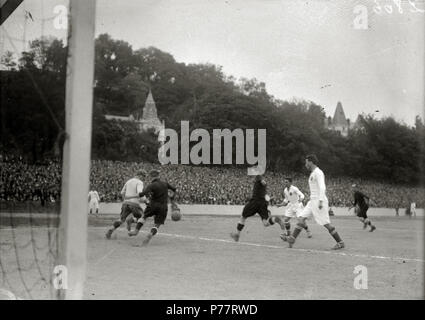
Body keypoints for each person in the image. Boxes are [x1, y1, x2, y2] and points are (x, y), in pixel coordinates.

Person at [281, 155, 345, 250]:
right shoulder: (313, 173)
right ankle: (292, 238)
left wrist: (320, 201)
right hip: (312, 201)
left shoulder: (318, 172)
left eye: (306, 162)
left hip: (318, 200)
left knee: (326, 224)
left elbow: (323, 187)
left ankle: (340, 242)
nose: (305, 164)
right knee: (301, 219)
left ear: (311, 162)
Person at [128, 169, 177, 246]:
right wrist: (172, 197)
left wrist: (131, 196)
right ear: (158, 175)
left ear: (151, 176)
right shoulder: (165, 183)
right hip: (163, 207)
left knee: (143, 216)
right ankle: (151, 234)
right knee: (157, 224)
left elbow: (143, 193)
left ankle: (136, 231)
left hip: (153, 205)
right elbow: (174, 189)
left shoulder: (151, 185)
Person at [230, 175, 284, 242]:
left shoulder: (258, 180)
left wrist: (261, 180)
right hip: (263, 203)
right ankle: (275, 219)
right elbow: (265, 194)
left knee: (243, 217)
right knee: (265, 223)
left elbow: (259, 178)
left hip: (255, 202)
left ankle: (237, 235)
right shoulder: (263, 187)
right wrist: (270, 199)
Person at [105, 170, 146, 239]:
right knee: (143, 217)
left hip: (126, 203)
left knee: (121, 219)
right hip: (134, 204)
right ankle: (131, 220)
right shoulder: (139, 182)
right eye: (144, 176)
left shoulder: (128, 181)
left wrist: (126, 200)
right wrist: (145, 201)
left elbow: (122, 193)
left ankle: (111, 229)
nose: (144, 178)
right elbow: (140, 193)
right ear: (140, 175)